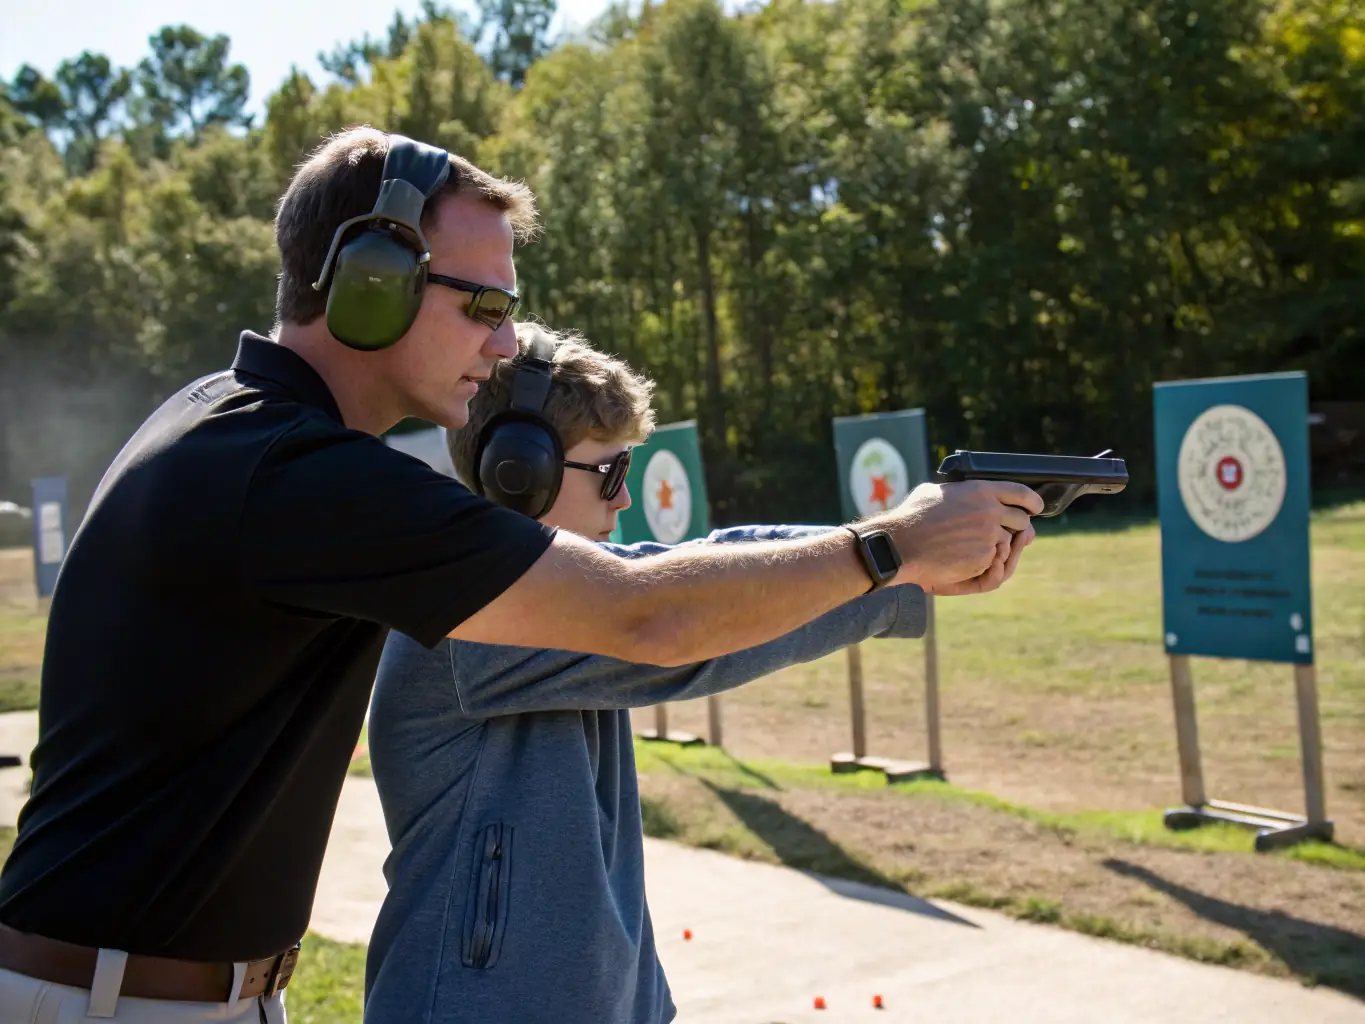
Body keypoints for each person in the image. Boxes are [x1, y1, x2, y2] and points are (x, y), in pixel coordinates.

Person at [0, 126, 1040, 1024]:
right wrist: (890, 550)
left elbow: (645, 578)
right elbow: (647, 617)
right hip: (122, 999)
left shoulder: (242, 430)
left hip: (160, 988)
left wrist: (895, 564)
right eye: (483, 304)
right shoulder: (295, 473)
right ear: (371, 281)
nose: (504, 344)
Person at [364, 324, 939, 1024]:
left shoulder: (564, 598)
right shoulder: (469, 614)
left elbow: (713, 563)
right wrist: (895, 559)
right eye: (609, 472)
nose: (624, 500)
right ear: (518, 474)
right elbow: (687, 627)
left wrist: (913, 560)